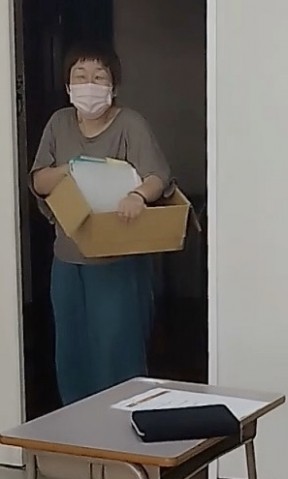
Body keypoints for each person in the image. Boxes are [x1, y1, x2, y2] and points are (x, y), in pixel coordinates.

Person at [29, 42, 173, 405]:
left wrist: (138, 196)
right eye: (80, 76)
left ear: (114, 85)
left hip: (117, 261)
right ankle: (80, 430)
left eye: (99, 76)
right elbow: (39, 179)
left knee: (117, 353)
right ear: (68, 85)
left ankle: (121, 432)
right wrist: (70, 169)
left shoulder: (130, 124)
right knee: (72, 354)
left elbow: (158, 177)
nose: (89, 85)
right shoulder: (59, 124)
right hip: (68, 260)